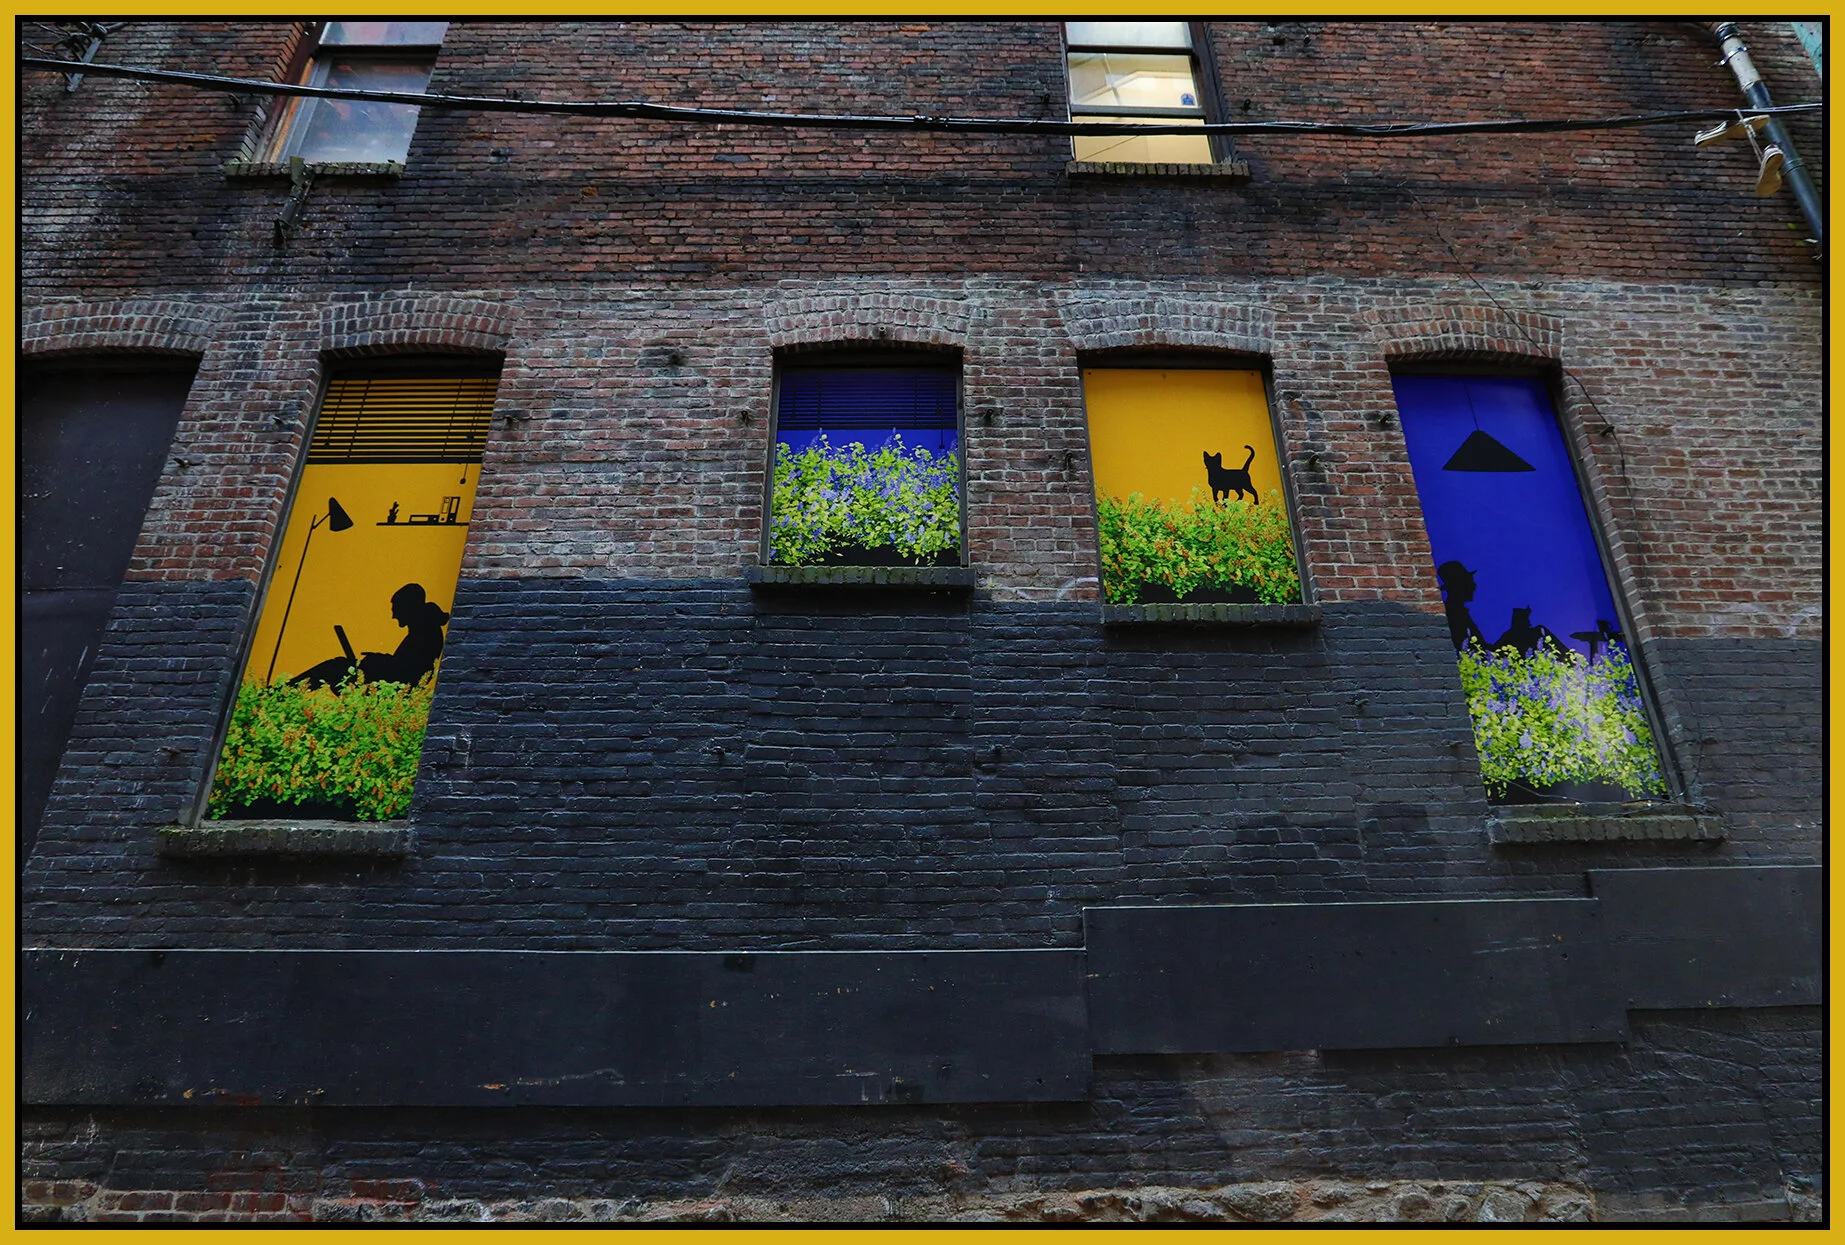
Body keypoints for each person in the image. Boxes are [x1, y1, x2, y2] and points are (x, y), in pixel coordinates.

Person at [289, 583, 449, 690]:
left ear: (408, 607)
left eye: (396, 609)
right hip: (388, 685)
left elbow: (406, 670)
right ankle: (288, 691)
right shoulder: (424, 629)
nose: (394, 615)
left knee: (334, 668)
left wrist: (377, 660)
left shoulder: (425, 632)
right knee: (336, 667)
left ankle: (286, 692)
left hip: (389, 690)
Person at [1435, 561, 1486, 651]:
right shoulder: (1454, 615)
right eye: (1468, 582)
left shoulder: (1458, 612)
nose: (1473, 586)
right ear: (1457, 587)